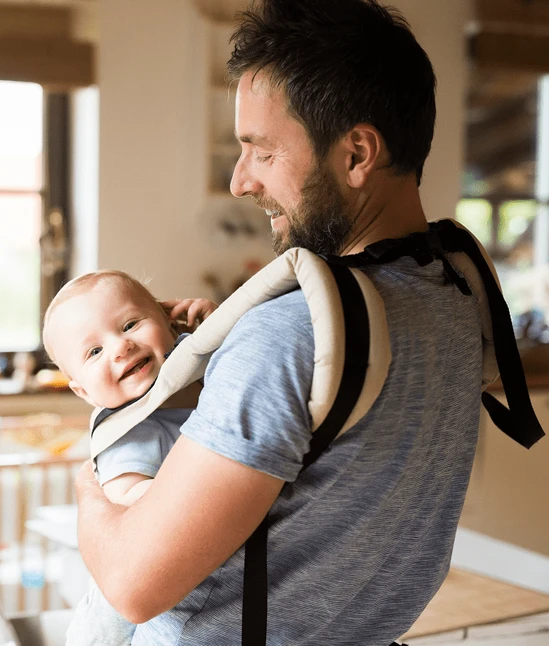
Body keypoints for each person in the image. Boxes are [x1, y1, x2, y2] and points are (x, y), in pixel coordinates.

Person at [74, 1, 484, 644]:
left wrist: (94, 470)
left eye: (260, 152)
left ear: (356, 154)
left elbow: (131, 584)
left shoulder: (290, 335)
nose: (240, 181)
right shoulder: (458, 300)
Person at [41, 269, 217, 646]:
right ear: (83, 390)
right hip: (116, 616)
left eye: (131, 324)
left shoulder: (199, 366)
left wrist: (215, 324)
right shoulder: (127, 430)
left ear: (169, 322)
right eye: (94, 352)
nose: (120, 347)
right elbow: (129, 501)